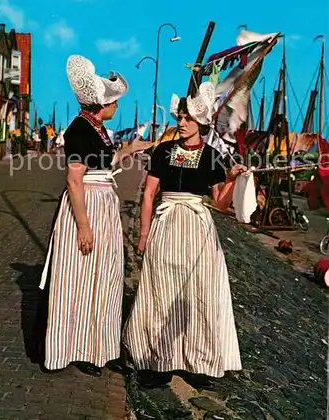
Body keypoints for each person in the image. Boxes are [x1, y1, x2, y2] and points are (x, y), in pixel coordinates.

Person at [123, 82, 246, 389]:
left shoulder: (213, 156)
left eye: (187, 118)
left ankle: (199, 362)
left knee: (199, 294)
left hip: (197, 229)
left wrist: (231, 180)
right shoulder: (164, 151)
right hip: (166, 225)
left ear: (201, 123)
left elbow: (219, 203)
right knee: (160, 290)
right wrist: (142, 233)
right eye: (179, 116)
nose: (180, 122)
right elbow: (150, 194)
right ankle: (158, 362)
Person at [37, 55, 152, 376]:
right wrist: (83, 227)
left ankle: (101, 346)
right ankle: (77, 348)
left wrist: (129, 150)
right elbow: (75, 179)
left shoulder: (97, 129)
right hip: (87, 205)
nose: (117, 107)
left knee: (106, 276)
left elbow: (104, 163)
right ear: (104, 104)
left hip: (104, 203)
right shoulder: (79, 130)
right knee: (80, 278)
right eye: (115, 103)